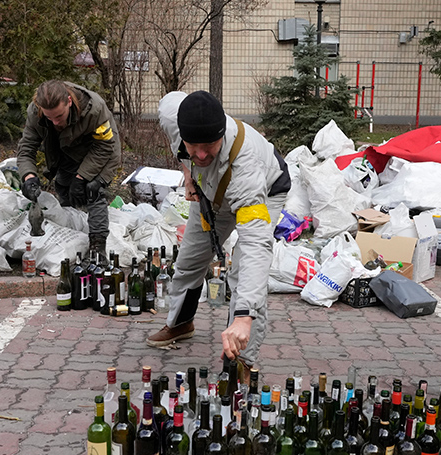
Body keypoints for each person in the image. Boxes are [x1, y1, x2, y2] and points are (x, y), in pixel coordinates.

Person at [146, 91, 291, 376]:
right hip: (212, 193)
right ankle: (181, 323)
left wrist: (244, 315)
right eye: (192, 146)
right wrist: (188, 173)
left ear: (222, 133)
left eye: (209, 145)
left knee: (242, 275)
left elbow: (255, 247)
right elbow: (170, 103)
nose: (200, 154)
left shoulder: (247, 170)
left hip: (264, 191)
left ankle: (241, 358)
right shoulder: (175, 117)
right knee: (189, 259)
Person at [16, 80, 121, 253]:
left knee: (92, 190)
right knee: (65, 190)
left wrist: (82, 178)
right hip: (66, 150)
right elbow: (26, 148)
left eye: (59, 116)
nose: (55, 122)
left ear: (69, 102)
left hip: (101, 151)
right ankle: (71, 240)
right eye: (49, 118)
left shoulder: (94, 109)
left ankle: (98, 247)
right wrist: (28, 177)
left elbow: (105, 147)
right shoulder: (35, 112)